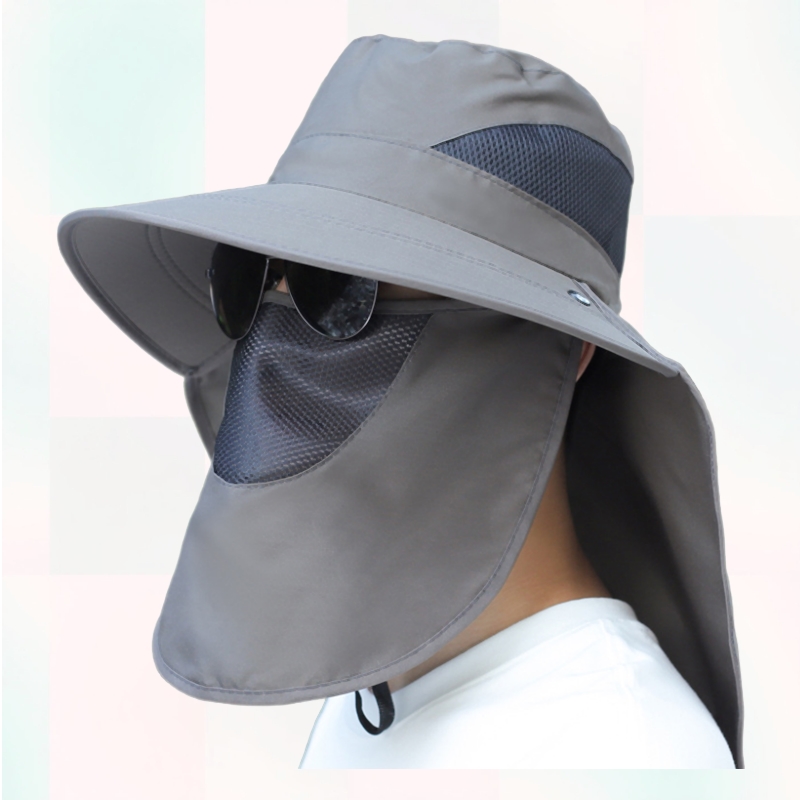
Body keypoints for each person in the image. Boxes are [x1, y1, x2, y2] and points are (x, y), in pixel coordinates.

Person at [56, 34, 743, 769]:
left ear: (564, 348)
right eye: (253, 279)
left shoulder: (625, 747)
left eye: (343, 288)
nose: (274, 345)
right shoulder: (377, 682)